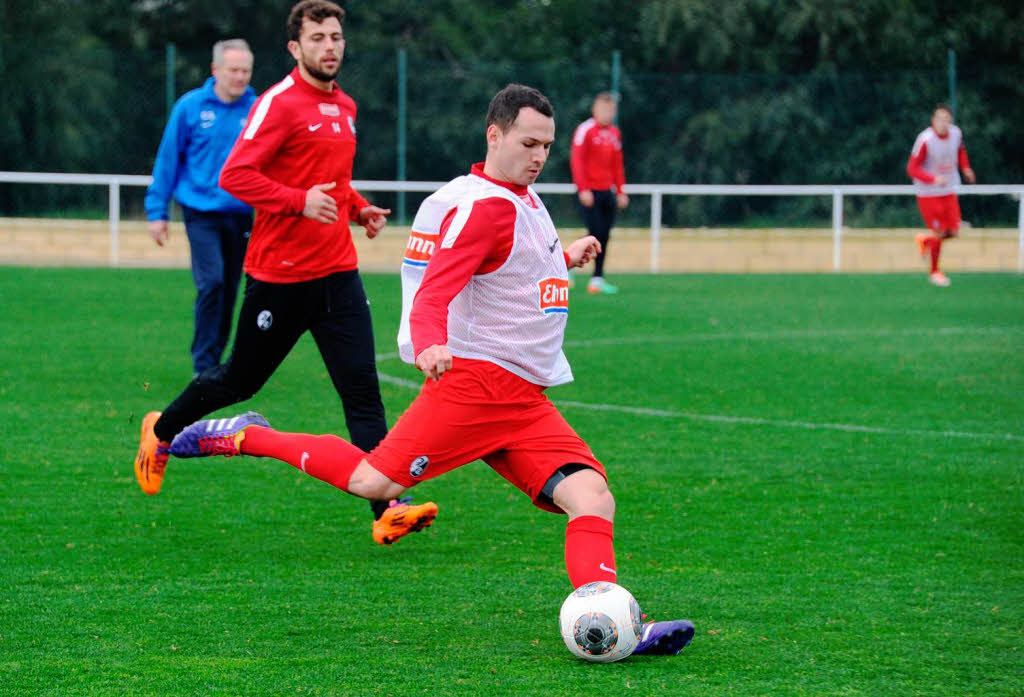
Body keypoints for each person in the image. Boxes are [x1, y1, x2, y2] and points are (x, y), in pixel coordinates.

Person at [170, 84, 695, 655]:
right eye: (529, 143)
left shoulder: (522, 199)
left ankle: (615, 624)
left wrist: (563, 256)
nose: (540, 156)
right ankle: (249, 435)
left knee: (592, 496)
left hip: (522, 401)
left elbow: (511, 265)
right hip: (477, 387)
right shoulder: (485, 209)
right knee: (375, 482)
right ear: (494, 135)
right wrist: (428, 345)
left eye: (547, 145)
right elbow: (434, 291)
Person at [134, 0, 434, 545]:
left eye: (336, 36)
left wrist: (358, 207)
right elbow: (235, 175)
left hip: (338, 272)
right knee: (238, 380)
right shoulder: (278, 103)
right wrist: (298, 202)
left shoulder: (345, 105)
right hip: (280, 276)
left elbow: (333, 181)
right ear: (295, 48)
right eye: (317, 37)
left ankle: (387, 508)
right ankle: (161, 431)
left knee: (362, 391)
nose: (330, 46)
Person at [144, 39, 257, 376]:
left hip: (241, 214)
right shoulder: (190, 107)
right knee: (212, 283)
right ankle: (203, 364)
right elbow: (168, 159)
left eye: (246, 71)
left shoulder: (258, 109)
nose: (240, 77)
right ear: (215, 70)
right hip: (200, 213)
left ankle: (217, 361)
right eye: (233, 70)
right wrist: (156, 211)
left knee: (230, 288)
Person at [907, 103, 976, 287]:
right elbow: (912, 169)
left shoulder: (956, 134)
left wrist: (966, 168)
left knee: (953, 231)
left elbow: (960, 152)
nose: (943, 123)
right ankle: (934, 272)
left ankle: (925, 241)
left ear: (950, 121)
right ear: (933, 121)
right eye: (939, 119)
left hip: (948, 189)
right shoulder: (925, 140)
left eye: (946, 119)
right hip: (928, 193)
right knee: (939, 232)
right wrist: (932, 179)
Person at [570, 92, 629, 295]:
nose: (608, 113)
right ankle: (566, 264)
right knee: (596, 232)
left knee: (603, 234)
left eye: (611, 110)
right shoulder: (585, 130)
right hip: (590, 192)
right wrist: (583, 188)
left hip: (608, 192)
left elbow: (617, 164)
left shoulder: (614, 133)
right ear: (594, 110)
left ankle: (597, 279)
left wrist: (621, 190)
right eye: (604, 109)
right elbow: (577, 161)